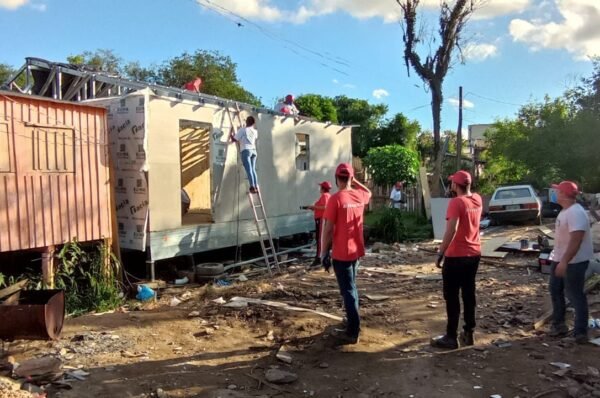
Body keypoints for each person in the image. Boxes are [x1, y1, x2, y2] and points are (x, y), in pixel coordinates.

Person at [321, 163, 371, 345]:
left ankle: (352, 331)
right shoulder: (359, 195)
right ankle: (353, 320)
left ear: (336, 179)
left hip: (341, 253)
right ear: (350, 178)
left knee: (348, 290)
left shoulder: (335, 199)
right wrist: (355, 181)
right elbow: (369, 192)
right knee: (351, 287)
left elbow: (327, 230)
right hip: (356, 251)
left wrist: (323, 252)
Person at [432, 170, 482, 349]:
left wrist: (441, 252)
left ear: (455, 185)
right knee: (469, 294)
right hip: (474, 254)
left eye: (452, 182)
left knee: (452, 297)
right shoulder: (477, 199)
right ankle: (469, 332)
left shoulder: (456, 202)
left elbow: (451, 230)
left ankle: (451, 336)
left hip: (456, 256)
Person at [547, 181, 594, 344]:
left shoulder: (576, 213)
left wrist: (565, 261)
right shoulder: (565, 211)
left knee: (574, 295)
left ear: (563, 194)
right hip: (560, 259)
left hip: (574, 262)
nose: (554, 193)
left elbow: (576, 239)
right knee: (555, 290)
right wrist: (558, 259)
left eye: (557, 191)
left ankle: (581, 332)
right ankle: (559, 325)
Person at [304, 182, 332, 267]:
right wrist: (313, 208)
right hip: (321, 219)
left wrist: (314, 207)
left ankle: (319, 258)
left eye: (320, 187)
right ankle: (323, 256)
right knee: (321, 238)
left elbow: (325, 207)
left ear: (323, 188)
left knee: (320, 238)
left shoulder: (325, 196)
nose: (319, 188)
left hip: (321, 219)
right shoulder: (327, 196)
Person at [230, 116, 259, 193]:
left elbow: (234, 139)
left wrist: (231, 135)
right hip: (254, 151)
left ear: (246, 122)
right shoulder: (255, 131)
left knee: (249, 169)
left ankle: (252, 186)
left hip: (246, 151)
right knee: (253, 170)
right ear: (253, 123)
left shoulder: (243, 130)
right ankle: (256, 186)